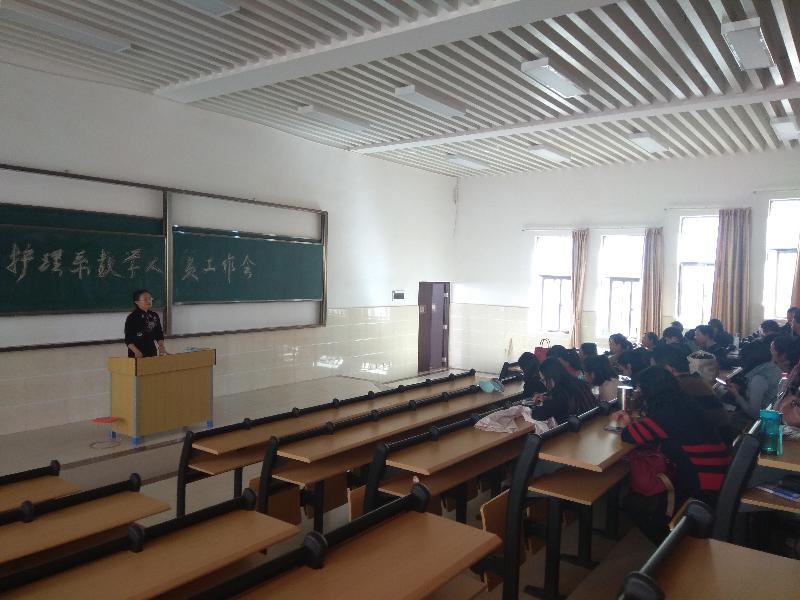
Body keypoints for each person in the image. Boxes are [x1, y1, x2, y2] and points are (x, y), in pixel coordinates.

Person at [611, 367, 731, 544]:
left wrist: (628, 422)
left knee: (633, 503)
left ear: (651, 391)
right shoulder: (682, 403)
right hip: (716, 473)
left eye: (640, 389)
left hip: (701, 484)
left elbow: (629, 435)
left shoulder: (667, 414)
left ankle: (673, 549)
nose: (639, 394)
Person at [651, 345, 734, 445]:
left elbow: (660, 423)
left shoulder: (678, 386)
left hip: (709, 447)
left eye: (653, 370)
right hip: (721, 442)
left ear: (669, 368)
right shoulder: (695, 381)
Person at [724, 339, 782, 427]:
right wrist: (740, 389)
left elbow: (754, 414)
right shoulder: (774, 368)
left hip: (761, 422)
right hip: (774, 413)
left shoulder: (758, 378)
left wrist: (736, 394)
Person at [530, 358, 598, 424]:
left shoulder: (559, 395)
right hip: (593, 423)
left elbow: (537, 415)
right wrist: (548, 399)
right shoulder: (578, 383)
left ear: (550, 377)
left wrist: (535, 404)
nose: (543, 383)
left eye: (543, 380)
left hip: (578, 429)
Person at [124, 289, 167, 358]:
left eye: (150, 299)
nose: (149, 301)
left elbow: (159, 333)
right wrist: (137, 352)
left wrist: (161, 346)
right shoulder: (132, 317)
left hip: (152, 351)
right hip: (137, 353)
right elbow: (128, 339)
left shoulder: (154, 315)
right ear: (137, 302)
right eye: (145, 299)